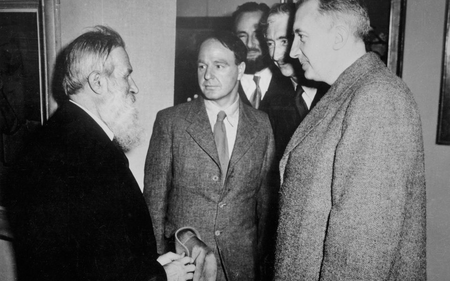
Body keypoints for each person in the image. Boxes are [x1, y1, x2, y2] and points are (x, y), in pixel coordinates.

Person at [5, 25, 195, 281]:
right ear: (97, 82)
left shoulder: (76, 137)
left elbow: (101, 248)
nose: (134, 87)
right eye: (127, 76)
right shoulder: (68, 150)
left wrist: (151, 264)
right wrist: (159, 276)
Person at [274, 0, 426, 280]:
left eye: (302, 37)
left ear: (338, 37)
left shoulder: (377, 97)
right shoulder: (347, 93)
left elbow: (362, 250)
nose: (294, 51)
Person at [144, 31, 276, 281]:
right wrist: (159, 266)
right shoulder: (171, 121)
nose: (207, 75)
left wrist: (261, 265)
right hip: (186, 267)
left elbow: (266, 206)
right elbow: (154, 202)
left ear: (240, 69)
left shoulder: (262, 125)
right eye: (202, 65)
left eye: (219, 65)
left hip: (242, 269)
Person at [262, 2, 328, 161]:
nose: (275, 56)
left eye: (284, 41)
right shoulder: (270, 103)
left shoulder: (337, 90)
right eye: (270, 43)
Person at [232, 2, 292, 112]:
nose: (249, 44)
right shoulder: (224, 86)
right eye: (242, 36)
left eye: (257, 35)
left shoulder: (291, 83)